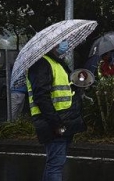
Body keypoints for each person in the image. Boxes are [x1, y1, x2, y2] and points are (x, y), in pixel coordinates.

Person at [26, 41, 86, 181]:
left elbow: (65, 88)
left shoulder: (57, 63)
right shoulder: (41, 64)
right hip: (53, 122)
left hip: (63, 119)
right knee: (56, 165)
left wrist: (79, 84)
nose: (63, 44)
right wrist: (56, 124)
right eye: (59, 42)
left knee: (54, 164)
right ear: (50, 45)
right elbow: (41, 96)